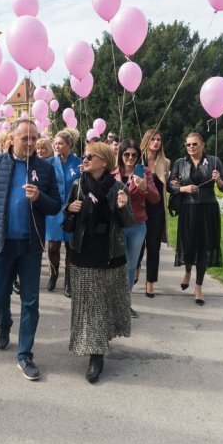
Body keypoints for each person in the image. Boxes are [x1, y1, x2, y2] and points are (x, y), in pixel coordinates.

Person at [0, 119, 62, 380]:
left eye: (34, 138)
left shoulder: (44, 169)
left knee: (30, 301)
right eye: (25, 138)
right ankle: (4, 324)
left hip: (31, 245)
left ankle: (25, 354)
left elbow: (56, 205)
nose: (31, 143)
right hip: (1, 246)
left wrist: (40, 198)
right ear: (11, 139)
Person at [64, 141, 132, 383]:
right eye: (85, 156)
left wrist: (123, 208)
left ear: (104, 161)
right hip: (84, 252)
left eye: (90, 156)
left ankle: (98, 348)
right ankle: (95, 352)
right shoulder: (78, 185)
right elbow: (68, 223)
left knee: (103, 304)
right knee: (88, 304)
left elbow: (127, 223)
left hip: (110, 254)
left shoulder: (119, 188)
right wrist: (70, 210)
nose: (85, 159)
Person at [167, 130, 223, 306]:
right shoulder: (180, 162)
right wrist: (183, 189)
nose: (191, 147)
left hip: (208, 209)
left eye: (195, 144)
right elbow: (172, 185)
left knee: (204, 247)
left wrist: (218, 180)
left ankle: (198, 286)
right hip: (188, 209)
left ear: (203, 145)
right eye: (188, 144)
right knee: (189, 244)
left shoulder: (214, 162)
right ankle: (187, 271)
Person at [114, 139, 159, 318]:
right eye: (126, 154)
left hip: (137, 225)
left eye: (134, 155)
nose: (130, 158)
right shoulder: (113, 173)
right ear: (121, 155)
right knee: (118, 266)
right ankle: (116, 302)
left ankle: (124, 303)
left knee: (131, 266)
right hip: (117, 225)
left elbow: (155, 199)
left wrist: (145, 188)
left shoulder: (144, 172)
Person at [45, 130, 82, 296]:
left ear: (69, 145)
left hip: (72, 210)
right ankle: (53, 273)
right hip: (53, 209)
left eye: (60, 143)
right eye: (55, 143)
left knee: (70, 246)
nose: (57, 146)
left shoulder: (78, 163)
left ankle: (69, 279)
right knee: (53, 246)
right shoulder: (49, 162)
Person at [138, 129, 171, 298]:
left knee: (153, 247)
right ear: (146, 141)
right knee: (138, 245)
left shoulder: (165, 162)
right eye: (153, 139)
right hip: (139, 208)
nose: (156, 142)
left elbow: (168, 186)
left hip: (157, 210)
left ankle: (150, 282)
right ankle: (136, 272)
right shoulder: (137, 159)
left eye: (159, 139)